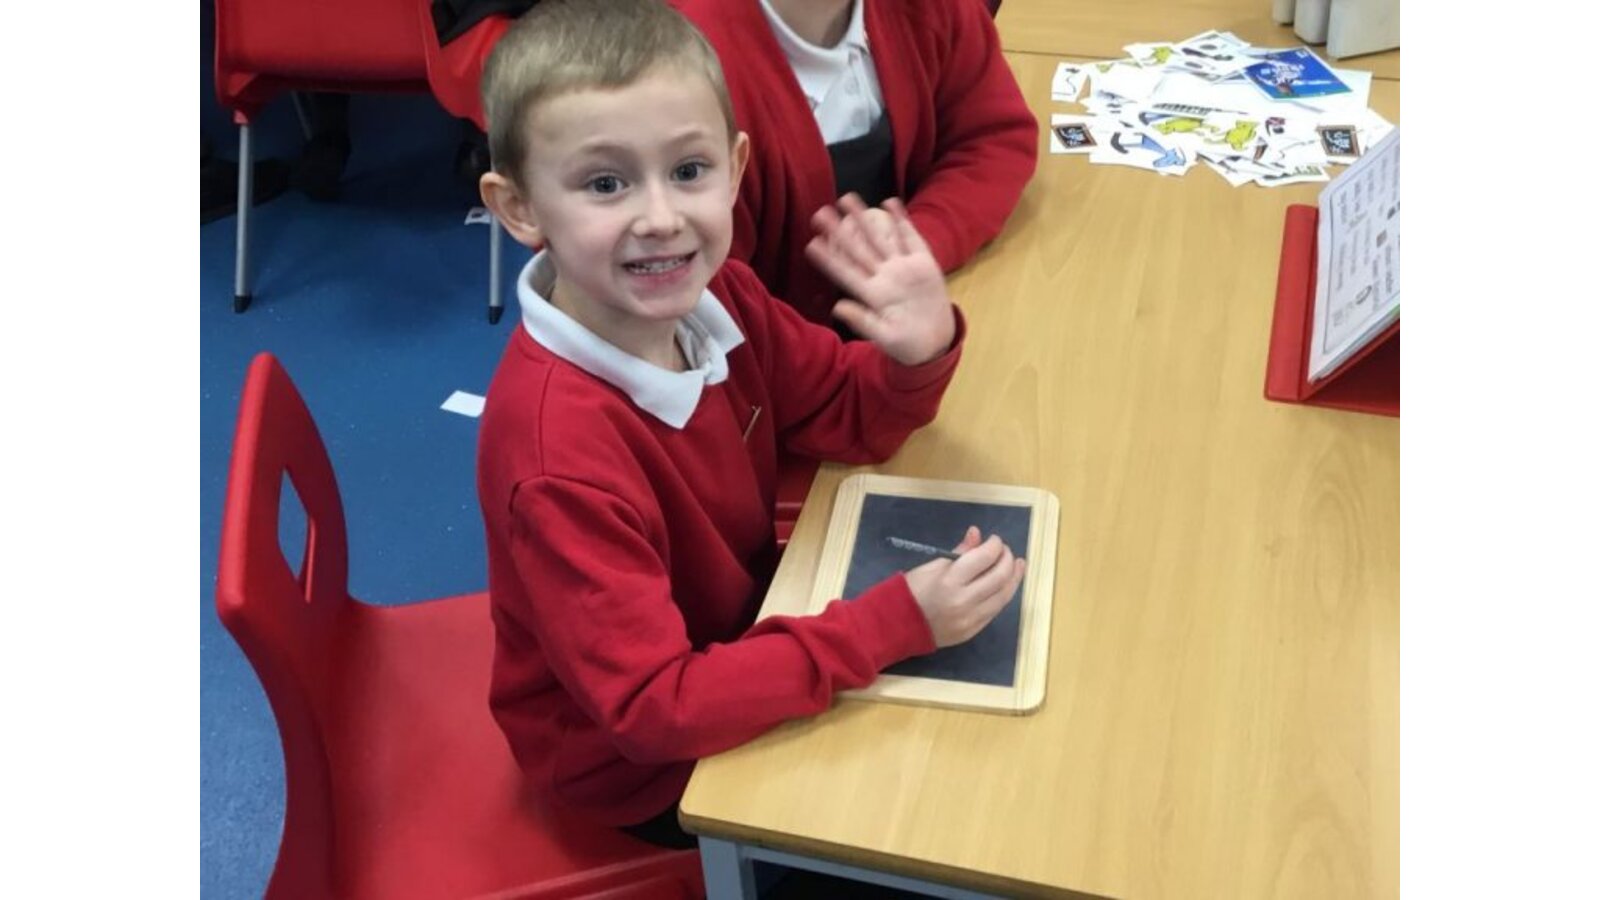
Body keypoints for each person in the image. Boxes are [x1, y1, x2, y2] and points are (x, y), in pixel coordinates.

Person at [474, 0, 1026, 849]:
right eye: (605, 184)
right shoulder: (558, 456)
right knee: (946, 820)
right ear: (518, 209)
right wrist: (889, 627)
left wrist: (916, 353)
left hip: (745, 640)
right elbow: (654, 710)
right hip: (640, 772)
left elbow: (845, 411)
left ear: (734, 169)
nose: (661, 217)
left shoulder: (718, 295)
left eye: (688, 170)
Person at [673, 0, 1038, 326]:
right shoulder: (686, 67)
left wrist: (915, 241)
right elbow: (706, 314)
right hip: (780, 362)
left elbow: (993, 137)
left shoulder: (930, 10)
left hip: (910, 327)